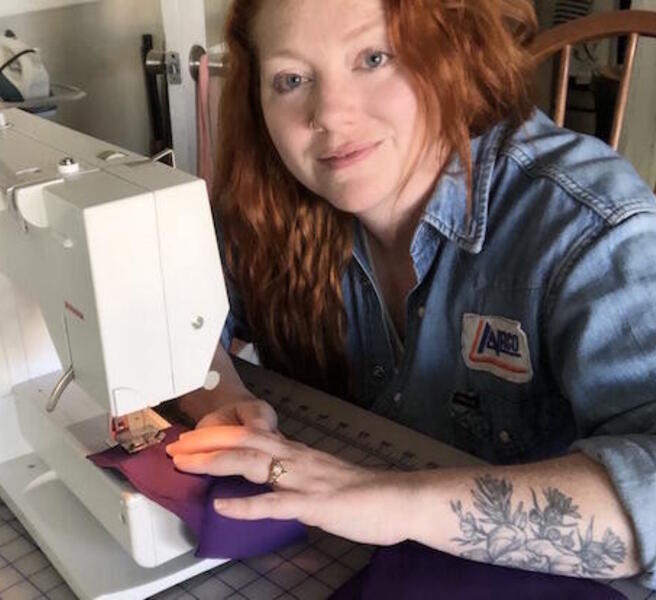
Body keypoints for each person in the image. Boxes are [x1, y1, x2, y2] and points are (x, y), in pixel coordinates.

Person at [170, 0, 656, 588]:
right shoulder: (270, 211)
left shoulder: (583, 222)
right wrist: (219, 397)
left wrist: (390, 502)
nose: (330, 115)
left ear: (448, 50)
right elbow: (183, 314)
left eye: (373, 58)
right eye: (292, 79)